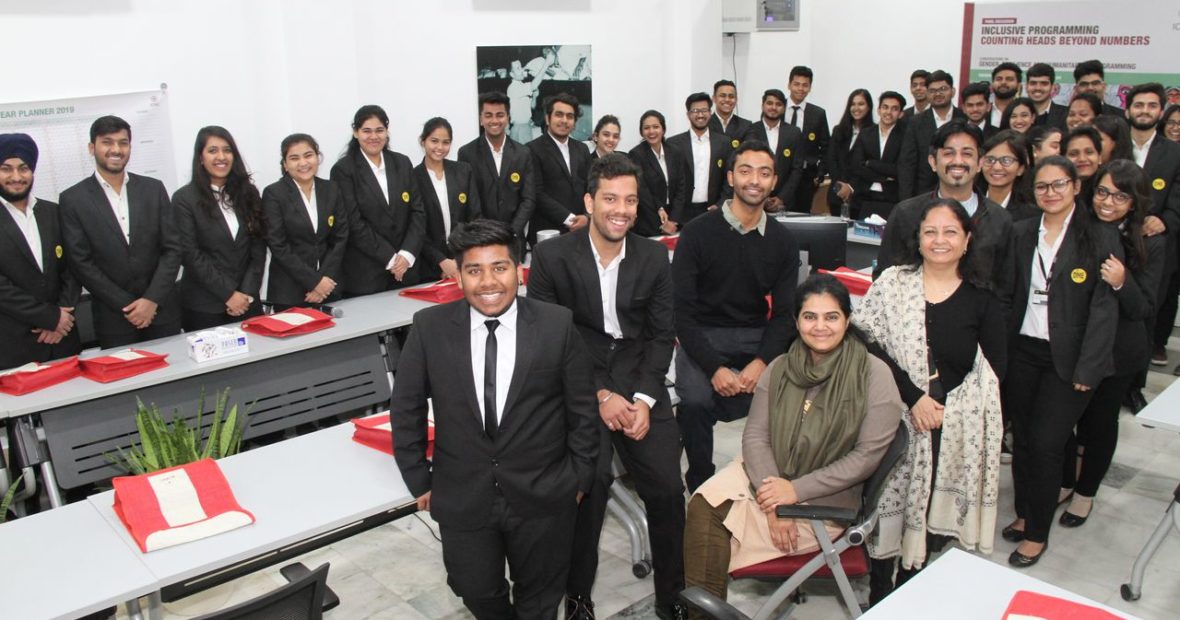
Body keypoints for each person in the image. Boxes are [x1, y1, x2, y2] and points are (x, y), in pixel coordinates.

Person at [390, 219, 599, 620]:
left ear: (519, 271)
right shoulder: (429, 328)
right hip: (463, 494)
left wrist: (579, 478)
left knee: (539, 600)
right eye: (474, 270)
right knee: (475, 589)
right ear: (458, 276)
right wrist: (419, 477)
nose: (488, 282)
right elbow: (407, 407)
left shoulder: (556, 324)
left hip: (544, 494)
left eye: (499, 268)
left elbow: (582, 409)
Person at [683, 275, 903, 608]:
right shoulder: (781, 366)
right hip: (770, 479)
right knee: (702, 505)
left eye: (831, 317)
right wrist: (775, 500)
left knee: (714, 535)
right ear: (797, 322)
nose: (821, 327)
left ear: (847, 320)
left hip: (826, 499)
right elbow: (756, 435)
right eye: (810, 316)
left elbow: (866, 457)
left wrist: (794, 494)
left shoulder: (874, 374)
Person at [528, 154, 686, 620]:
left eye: (631, 201)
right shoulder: (553, 256)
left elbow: (661, 335)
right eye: (611, 199)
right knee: (588, 483)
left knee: (666, 488)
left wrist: (641, 399)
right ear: (589, 201)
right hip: (581, 380)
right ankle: (578, 596)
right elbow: (549, 339)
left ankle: (670, 596)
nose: (622, 210)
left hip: (640, 379)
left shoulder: (654, 255)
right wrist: (598, 394)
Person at [856, 198, 1006, 602]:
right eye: (930, 232)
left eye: (950, 232)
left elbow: (993, 373)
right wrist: (913, 398)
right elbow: (865, 341)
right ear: (918, 239)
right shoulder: (892, 284)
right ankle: (878, 592)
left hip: (950, 423)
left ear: (967, 239)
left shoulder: (983, 297)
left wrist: (947, 410)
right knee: (884, 506)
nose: (940, 240)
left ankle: (907, 596)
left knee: (923, 520)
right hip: (893, 414)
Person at [999, 156, 1120, 567]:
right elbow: (1007, 295)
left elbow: (1105, 309)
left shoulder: (1099, 236)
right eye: (1042, 186)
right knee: (1025, 441)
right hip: (1023, 351)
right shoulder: (1020, 233)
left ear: (1076, 187)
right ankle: (1024, 511)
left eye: (1059, 185)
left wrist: (1090, 368)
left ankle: (1037, 533)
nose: (1050, 193)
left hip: (1069, 358)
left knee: (1049, 443)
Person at [673, 140, 800, 492]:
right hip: (703, 333)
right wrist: (714, 368)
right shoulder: (697, 233)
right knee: (697, 401)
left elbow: (786, 314)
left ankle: (774, 481)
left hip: (755, 336)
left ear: (774, 181)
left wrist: (761, 362)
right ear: (731, 177)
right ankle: (700, 480)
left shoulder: (783, 241)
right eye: (745, 171)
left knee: (791, 394)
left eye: (764, 173)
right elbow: (680, 312)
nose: (754, 180)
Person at [1061, 161, 1165, 526]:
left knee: (1100, 424)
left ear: (1134, 202)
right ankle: (1066, 481)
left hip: (1119, 352)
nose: (1108, 202)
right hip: (1076, 342)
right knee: (1064, 421)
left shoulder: (1151, 239)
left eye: (1120, 196)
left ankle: (1085, 494)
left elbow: (1145, 307)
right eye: (1103, 192)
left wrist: (1122, 281)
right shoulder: (1078, 226)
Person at [59, 115, 181, 348]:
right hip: (114, 318)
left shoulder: (153, 189)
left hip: (162, 310)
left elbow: (172, 249)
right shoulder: (73, 199)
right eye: (107, 142)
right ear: (91, 148)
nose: (116, 149)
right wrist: (130, 306)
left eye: (123, 142)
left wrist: (151, 300)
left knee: (174, 379)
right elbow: (81, 262)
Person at [877, 121, 1012, 285]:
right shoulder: (906, 213)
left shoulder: (1000, 219)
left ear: (980, 163)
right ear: (933, 162)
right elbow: (884, 278)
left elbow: (1006, 287)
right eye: (949, 153)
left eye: (967, 154)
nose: (958, 161)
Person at [172, 126, 266, 330]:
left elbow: (258, 247)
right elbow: (190, 254)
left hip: (247, 303)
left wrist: (247, 293)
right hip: (205, 307)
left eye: (227, 150)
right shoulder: (184, 199)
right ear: (200, 157)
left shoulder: (248, 193)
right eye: (212, 150)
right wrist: (229, 294)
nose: (221, 157)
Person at [0, 133, 80, 368]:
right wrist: (50, 318)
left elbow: (74, 267)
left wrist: (62, 318)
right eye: (6, 169)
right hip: (14, 345)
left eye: (23, 168)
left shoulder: (53, 212)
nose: (16, 177)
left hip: (63, 339)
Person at [331, 105, 425, 296]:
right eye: (366, 131)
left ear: (387, 132)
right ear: (356, 133)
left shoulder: (402, 163)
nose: (373, 136)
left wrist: (406, 255)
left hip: (407, 269)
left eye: (379, 130)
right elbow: (354, 222)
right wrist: (391, 259)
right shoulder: (343, 170)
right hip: (367, 274)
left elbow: (418, 212)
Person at [1124, 84, 1180, 372]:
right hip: (1117, 242)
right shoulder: (1116, 147)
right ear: (1128, 109)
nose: (1144, 111)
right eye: (1139, 105)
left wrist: (1166, 220)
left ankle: (1135, 382)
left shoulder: (1174, 152)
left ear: (1160, 111)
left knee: (1147, 313)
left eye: (1151, 106)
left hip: (1154, 244)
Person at [262, 134, 347, 310]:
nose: (303, 163)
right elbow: (278, 246)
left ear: (317, 157)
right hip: (289, 292)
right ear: (285, 164)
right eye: (294, 158)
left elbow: (340, 237)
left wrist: (323, 282)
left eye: (308, 155)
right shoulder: (274, 194)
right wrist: (314, 282)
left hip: (329, 288)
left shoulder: (332, 189)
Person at [457, 92, 536, 257]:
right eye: (488, 115)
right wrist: (487, 234)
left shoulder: (523, 153)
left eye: (500, 115)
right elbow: (470, 202)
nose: (494, 120)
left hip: (514, 241)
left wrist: (512, 232)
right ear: (481, 119)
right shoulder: (466, 153)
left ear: (508, 117)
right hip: (481, 241)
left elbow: (528, 199)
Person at [413, 118, 482, 282]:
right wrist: (441, 261)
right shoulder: (413, 177)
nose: (440, 147)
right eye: (434, 141)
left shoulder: (463, 171)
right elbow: (415, 228)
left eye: (446, 142)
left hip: (463, 261)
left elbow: (475, 217)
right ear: (423, 141)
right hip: (427, 266)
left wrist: (458, 259)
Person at [528, 93, 592, 246]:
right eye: (559, 115)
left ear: (575, 122)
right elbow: (536, 193)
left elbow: (590, 186)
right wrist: (570, 219)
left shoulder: (582, 149)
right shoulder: (531, 149)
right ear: (547, 118)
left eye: (570, 116)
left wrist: (586, 216)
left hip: (581, 230)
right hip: (548, 232)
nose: (564, 120)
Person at [898, 70, 966, 199]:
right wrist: (906, 200)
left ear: (953, 91)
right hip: (924, 194)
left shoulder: (964, 118)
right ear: (927, 94)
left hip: (959, 192)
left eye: (943, 89)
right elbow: (907, 164)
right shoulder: (915, 122)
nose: (938, 94)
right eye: (933, 90)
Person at [668, 92, 735, 222]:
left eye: (704, 110)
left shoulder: (724, 142)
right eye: (695, 111)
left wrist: (721, 204)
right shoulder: (674, 143)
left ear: (710, 113)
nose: (700, 115)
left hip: (712, 210)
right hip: (682, 213)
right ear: (688, 115)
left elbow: (729, 177)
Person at [741, 89, 803, 212]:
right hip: (755, 199)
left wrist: (781, 198)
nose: (773, 107)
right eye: (769, 103)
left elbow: (797, 169)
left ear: (784, 108)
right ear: (762, 105)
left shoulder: (794, 133)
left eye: (778, 104)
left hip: (785, 203)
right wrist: (763, 197)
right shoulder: (751, 130)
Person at [628, 110, 687, 236]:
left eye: (656, 127)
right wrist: (660, 218)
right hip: (648, 221)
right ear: (641, 132)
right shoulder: (636, 155)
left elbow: (682, 187)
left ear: (663, 129)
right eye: (646, 128)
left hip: (674, 220)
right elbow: (642, 191)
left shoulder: (675, 152)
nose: (651, 131)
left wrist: (673, 220)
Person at [849, 91, 906, 219]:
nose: (888, 112)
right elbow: (857, 166)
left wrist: (871, 163)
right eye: (885, 107)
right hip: (863, 197)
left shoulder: (906, 136)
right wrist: (886, 177)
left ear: (901, 114)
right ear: (879, 110)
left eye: (894, 109)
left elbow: (900, 169)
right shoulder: (865, 133)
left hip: (892, 199)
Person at [786, 66, 831, 215]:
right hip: (780, 174)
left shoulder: (818, 114)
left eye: (805, 85)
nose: (800, 89)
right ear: (789, 85)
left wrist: (820, 173)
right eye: (796, 84)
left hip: (806, 178)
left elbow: (826, 147)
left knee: (801, 216)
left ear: (810, 87)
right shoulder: (776, 108)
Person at [826, 88, 873, 216]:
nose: (856, 108)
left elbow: (866, 167)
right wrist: (841, 186)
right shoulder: (838, 130)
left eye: (861, 104)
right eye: (853, 104)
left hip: (859, 197)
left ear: (869, 107)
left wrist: (851, 187)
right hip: (836, 194)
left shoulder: (873, 133)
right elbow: (831, 160)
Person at [981, 130, 1038, 221]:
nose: (997, 167)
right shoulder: (970, 202)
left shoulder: (1030, 215)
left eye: (1006, 161)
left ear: (1021, 169)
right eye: (990, 160)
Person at [1026, 63, 1068, 130]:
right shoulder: (1015, 114)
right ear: (1026, 86)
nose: (1038, 88)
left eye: (1044, 84)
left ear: (1052, 87)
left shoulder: (1066, 114)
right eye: (1033, 83)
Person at [990, 62, 1024, 127]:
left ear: (1019, 85)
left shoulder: (1025, 112)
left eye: (1009, 79)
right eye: (999, 79)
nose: (1003, 82)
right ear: (992, 84)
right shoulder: (984, 110)